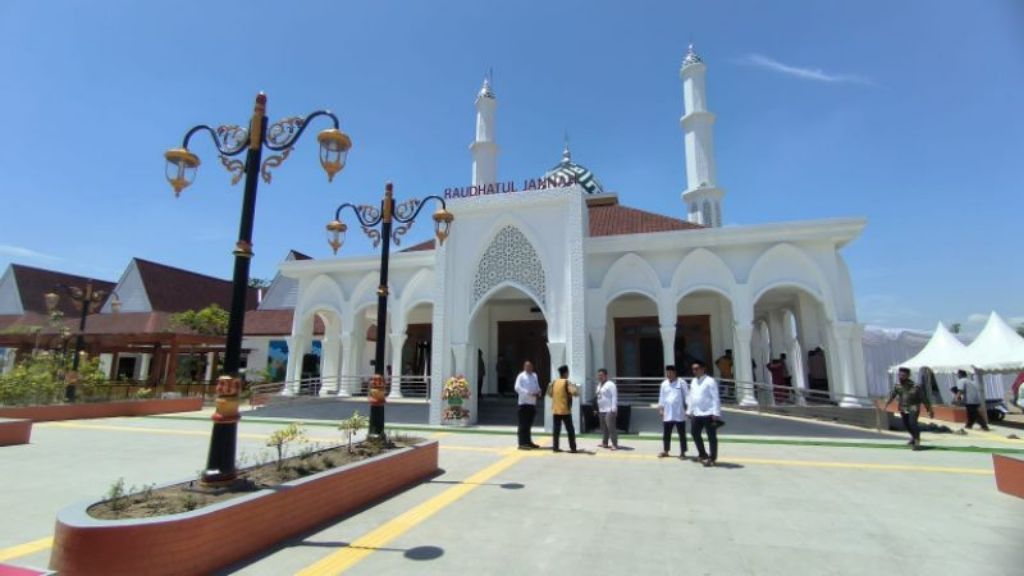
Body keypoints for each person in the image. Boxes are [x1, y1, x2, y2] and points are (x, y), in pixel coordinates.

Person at [885, 367, 935, 450]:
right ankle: (913, 437)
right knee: (906, 425)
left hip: (913, 407)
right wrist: (886, 403)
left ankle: (917, 442)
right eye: (899, 375)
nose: (900, 377)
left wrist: (929, 410)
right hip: (903, 407)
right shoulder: (898, 386)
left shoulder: (916, 387)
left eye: (903, 375)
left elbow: (924, 399)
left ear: (908, 375)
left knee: (912, 423)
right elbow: (892, 395)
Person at [687, 360, 721, 467]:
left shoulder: (710, 381)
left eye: (696, 369)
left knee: (711, 436)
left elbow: (715, 397)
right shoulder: (693, 381)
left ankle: (712, 457)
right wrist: (689, 410)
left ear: (703, 369)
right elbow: (691, 397)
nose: (694, 371)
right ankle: (703, 454)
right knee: (694, 433)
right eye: (693, 369)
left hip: (709, 413)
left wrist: (716, 412)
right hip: (697, 413)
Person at [657, 365, 689, 459]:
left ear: (675, 373)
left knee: (681, 434)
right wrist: (661, 409)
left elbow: (687, 396)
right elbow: (661, 397)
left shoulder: (681, 382)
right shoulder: (664, 384)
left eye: (671, 373)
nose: (669, 374)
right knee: (666, 433)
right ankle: (666, 450)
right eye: (667, 373)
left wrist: (688, 409)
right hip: (667, 413)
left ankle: (683, 452)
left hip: (679, 412)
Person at [547, 365, 578, 452]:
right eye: (568, 372)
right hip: (565, 410)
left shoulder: (554, 382)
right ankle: (573, 448)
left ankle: (555, 448)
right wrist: (573, 390)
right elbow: (575, 393)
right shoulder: (567, 382)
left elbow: (549, 394)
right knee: (570, 430)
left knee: (556, 430)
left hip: (556, 410)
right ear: (565, 373)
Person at [514, 360, 542, 450]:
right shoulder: (521, 376)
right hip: (524, 403)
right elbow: (517, 387)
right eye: (527, 366)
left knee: (529, 424)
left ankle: (528, 442)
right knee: (523, 424)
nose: (529, 368)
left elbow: (537, 386)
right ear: (524, 367)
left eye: (530, 366)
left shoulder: (534, 375)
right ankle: (521, 443)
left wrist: (539, 392)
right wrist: (528, 393)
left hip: (532, 403)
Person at [595, 368, 618, 450]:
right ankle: (605, 443)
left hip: (609, 410)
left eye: (601, 375)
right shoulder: (599, 385)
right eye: (599, 375)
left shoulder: (610, 384)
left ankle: (614, 444)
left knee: (611, 427)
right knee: (603, 427)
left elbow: (614, 396)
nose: (599, 377)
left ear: (606, 375)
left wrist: (614, 408)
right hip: (601, 410)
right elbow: (598, 397)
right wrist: (596, 409)